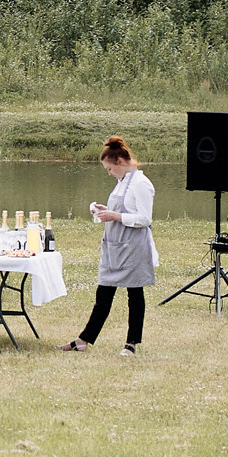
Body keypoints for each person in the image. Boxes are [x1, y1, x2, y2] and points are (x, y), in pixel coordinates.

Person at [64, 135, 156, 354]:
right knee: (103, 294)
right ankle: (83, 340)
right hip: (115, 245)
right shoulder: (122, 182)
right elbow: (122, 210)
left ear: (120, 163)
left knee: (135, 295)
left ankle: (131, 344)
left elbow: (144, 218)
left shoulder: (142, 184)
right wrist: (103, 210)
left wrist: (114, 216)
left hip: (133, 247)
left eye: (109, 169)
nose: (109, 173)